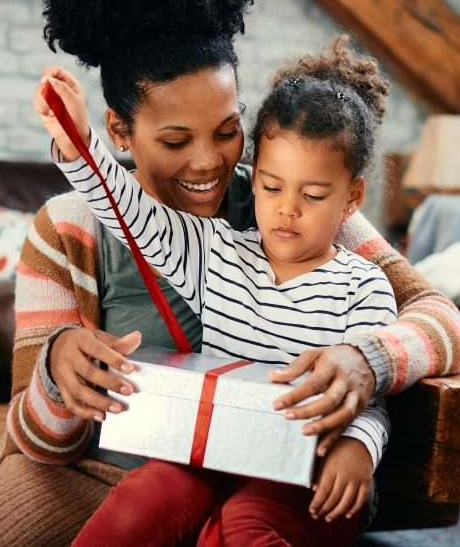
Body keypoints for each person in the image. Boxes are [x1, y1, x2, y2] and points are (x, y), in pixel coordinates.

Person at [0, 0, 460, 547]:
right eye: (176, 140)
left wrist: (366, 359)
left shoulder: (285, 201)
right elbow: (36, 437)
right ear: (120, 133)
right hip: (93, 478)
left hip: (267, 481)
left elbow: (440, 319)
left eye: (228, 129)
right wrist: (59, 371)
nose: (210, 162)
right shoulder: (67, 228)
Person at [36, 35, 397, 545]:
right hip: (214, 453)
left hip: (306, 471)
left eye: (313, 195)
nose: (287, 208)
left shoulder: (363, 285)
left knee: (241, 526)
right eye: (271, 187)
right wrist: (79, 143)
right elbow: (129, 212)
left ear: (352, 197)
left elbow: (372, 391)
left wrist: (359, 446)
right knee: (148, 493)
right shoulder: (215, 251)